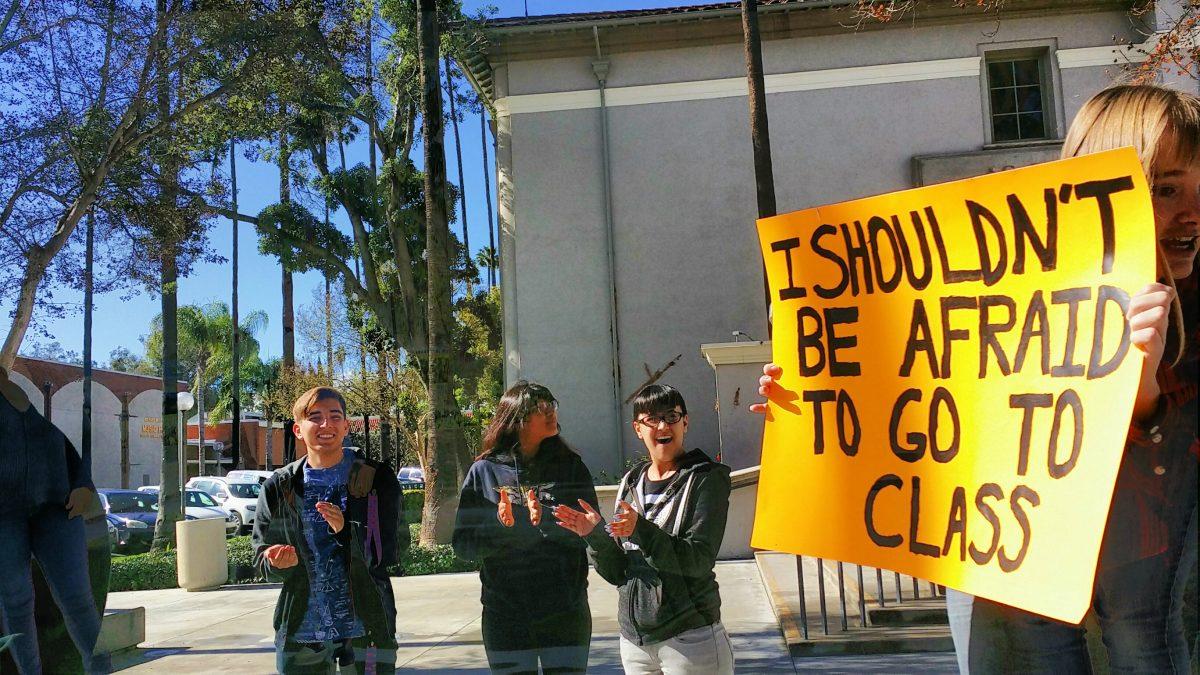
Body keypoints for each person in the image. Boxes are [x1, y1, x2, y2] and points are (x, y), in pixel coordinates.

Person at [752, 84, 1199, 673]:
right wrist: (815, 400)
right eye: (1166, 189)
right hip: (1013, 590)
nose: (1192, 213)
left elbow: (1173, 480)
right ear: (1113, 192)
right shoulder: (1007, 290)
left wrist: (1142, 392)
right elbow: (928, 403)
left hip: (1144, 603)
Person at [555, 384, 735, 674]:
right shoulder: (631, 482)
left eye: (672, 416)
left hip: (690, 639)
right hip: (635, 642)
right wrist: (595, 536)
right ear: (638, 428)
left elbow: (698, 560)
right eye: (652, 418)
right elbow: (618, 573)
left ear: (685, 423)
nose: (663, 425)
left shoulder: (706, 479)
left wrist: (642, 529)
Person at [451, 381, 600, 674]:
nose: (550, 412)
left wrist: (546, 518)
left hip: (565, 612)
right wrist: (500, 524)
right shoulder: (484, 471)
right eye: (539, 407)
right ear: (516, 419)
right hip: (505, 615)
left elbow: (588, 533)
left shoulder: (570, 466)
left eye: (551, 404)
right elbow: (463, 545)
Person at [252, 386, 402, 674]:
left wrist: (346, 532)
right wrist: (277, 562)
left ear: (346, 425)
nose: (326, 425)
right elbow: (261, 555)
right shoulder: (280, 486)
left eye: (335, 416)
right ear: (298, 429)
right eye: (315, 417)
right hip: (301, 636)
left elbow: (393, 550)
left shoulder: (374, 478)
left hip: (366, 632)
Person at [0, 366, 109, 674]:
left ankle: (100, 668)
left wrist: (83, 484)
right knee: (15, 600)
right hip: (4, 514)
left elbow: (60, 443)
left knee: (77, 599)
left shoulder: (21, 399)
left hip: (58, 503)